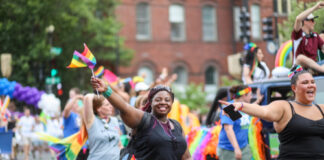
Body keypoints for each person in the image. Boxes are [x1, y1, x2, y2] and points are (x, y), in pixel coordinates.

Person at [219, 67, 324, 159]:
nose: (310, 85)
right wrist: (241, 105)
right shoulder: (285, 107)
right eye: (305, 82)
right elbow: (264, 111)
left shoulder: (321, 109)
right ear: (294, 88)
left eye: (312, 82)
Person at [91, 77, 192, 160]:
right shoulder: (145, 120)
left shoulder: (177, 126)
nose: (163, 102)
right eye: (158, 99)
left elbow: (186, 157)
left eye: (167, 100)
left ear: (171, 103)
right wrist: (106, 90)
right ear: (151, 103)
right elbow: (124, 108)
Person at [217, 85, 254, 160]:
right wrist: (236, 149)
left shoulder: (245, 107)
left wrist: (259, 101)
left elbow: (255, 108)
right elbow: (228, 129)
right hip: (229, 150)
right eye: (250, 95)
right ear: (244, 95)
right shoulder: (230, 107)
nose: (252, 97)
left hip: (244, 147)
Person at [83, 94, 120, 160]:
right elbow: (87, 98)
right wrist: (98, 93)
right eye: (107, 105)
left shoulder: (115, 120)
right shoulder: (91, 121)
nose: (111, 106)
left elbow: (119, 144)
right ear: (98, 108)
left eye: (110, 104)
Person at [292, 2, 324, 72]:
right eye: (312, 20)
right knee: (300, 58)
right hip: (296, 71)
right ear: (305, 22)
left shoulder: (315, 36)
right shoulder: (298, 34)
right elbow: (298, 19)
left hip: (314, 68)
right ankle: (321, 70)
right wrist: (315, 7)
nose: (314, 23)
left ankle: (318, 70)